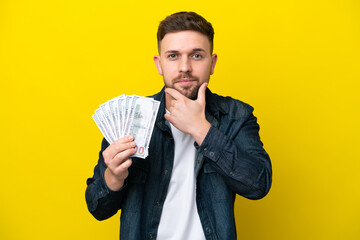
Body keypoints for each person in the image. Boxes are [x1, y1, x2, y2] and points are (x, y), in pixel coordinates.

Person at [85, 11, 272, 240]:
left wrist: (201, 129)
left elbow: (258, 184)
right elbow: (98, 208)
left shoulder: (236, 116)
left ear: (212, 63)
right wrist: (113, 177)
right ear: (159, 64)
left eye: (196, 55)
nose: (184, 67)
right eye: (173, 56)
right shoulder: (129, 118)